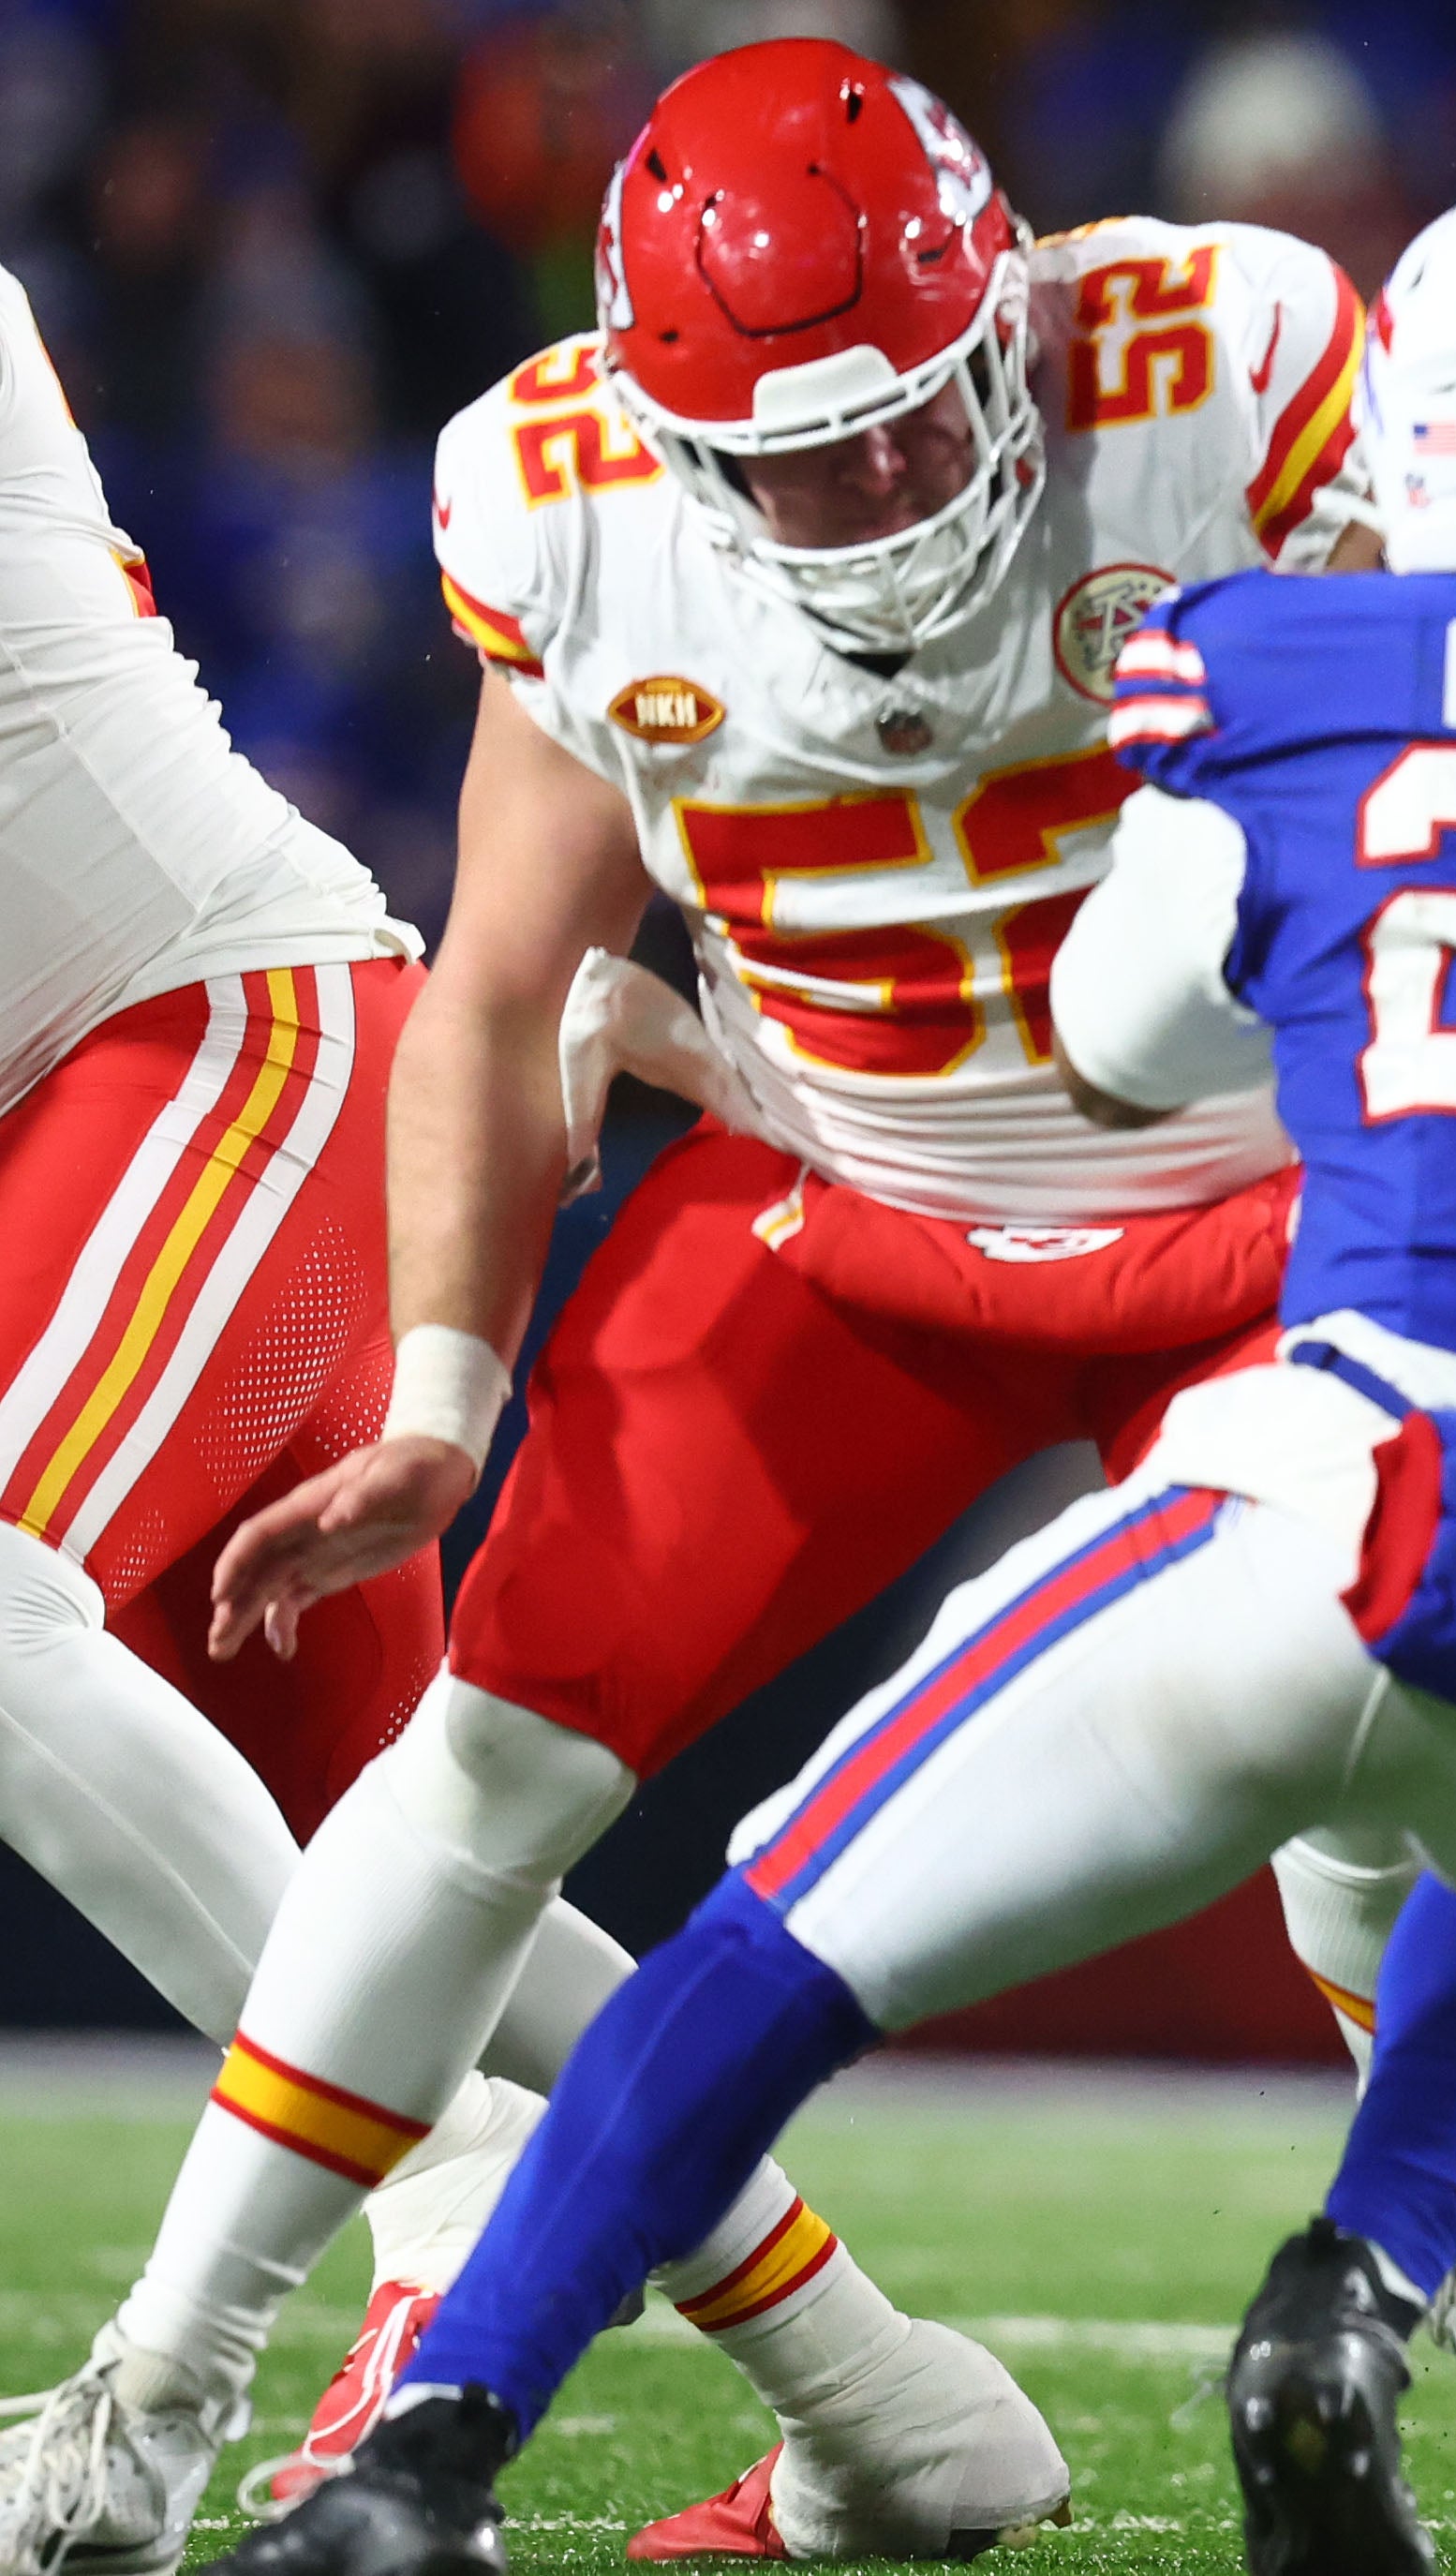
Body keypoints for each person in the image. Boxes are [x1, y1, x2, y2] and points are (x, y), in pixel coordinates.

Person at [7, 44, 1456, 2568]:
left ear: (1003, 307)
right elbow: (513, 970)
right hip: (854, 1197)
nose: (880, 491)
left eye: (921, 413)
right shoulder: (555, 500)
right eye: (799, 453)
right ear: (658, 422)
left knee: (1370, 1757)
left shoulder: (1219, 368)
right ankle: (155, 2395)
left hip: (1269, 1196)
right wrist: (440, 1379)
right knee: (481, 1763)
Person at [0, 251, 659, 2576]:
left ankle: (453, 2194)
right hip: (127, 1080)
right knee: (406, 1865)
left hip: (214, 1039)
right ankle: (877, 2376)